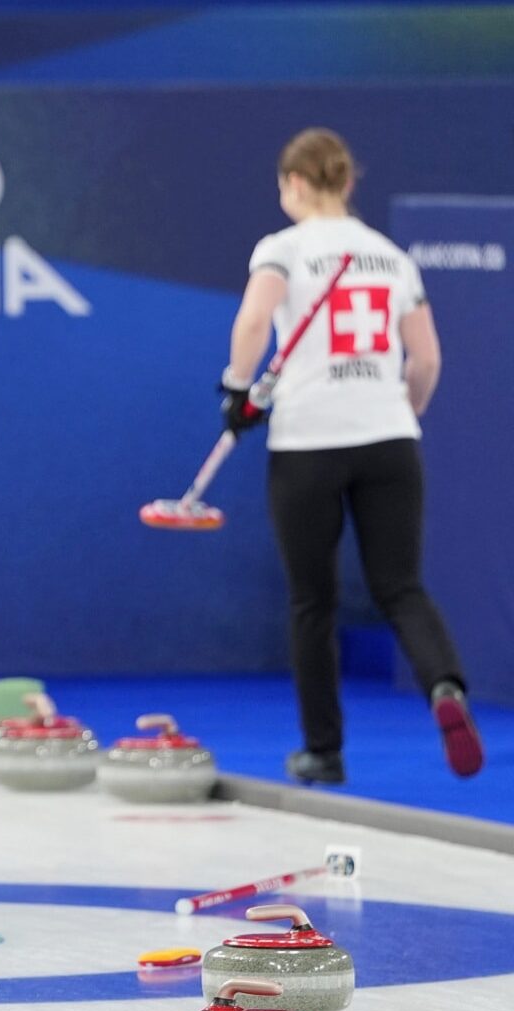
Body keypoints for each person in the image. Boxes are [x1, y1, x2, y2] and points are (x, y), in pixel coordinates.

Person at [222, 127, 484, 784]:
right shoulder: (393, 258)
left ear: (298, 184)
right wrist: (402, 414)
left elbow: (255, 322)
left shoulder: (281, 249)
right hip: (389, 436)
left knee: (314, 601)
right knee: (401, 586)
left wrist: (235, 386)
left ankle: (324, 751)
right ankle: (447, 690)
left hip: (308, 440)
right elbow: (426, 359)